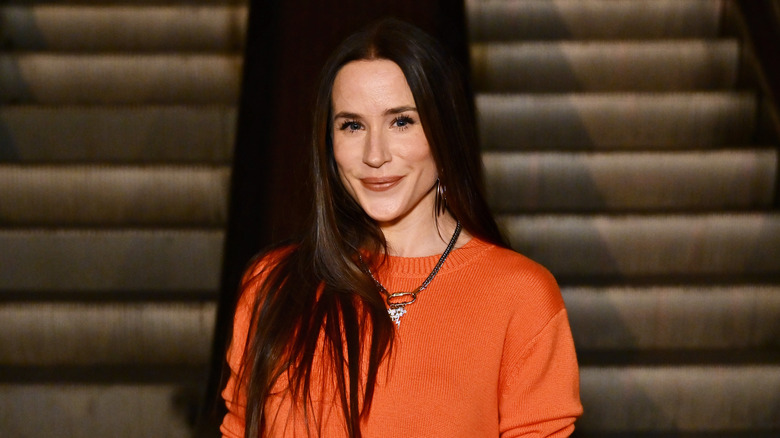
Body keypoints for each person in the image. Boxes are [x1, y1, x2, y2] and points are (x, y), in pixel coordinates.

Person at [220, 18, 582, 438]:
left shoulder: (519, 296)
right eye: (352, 125)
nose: (375, 155)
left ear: (443, 132)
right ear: (329, 143)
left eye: (401, 121)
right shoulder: (272, 285)